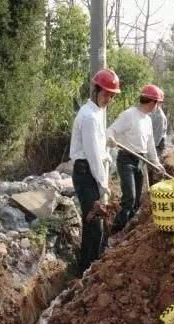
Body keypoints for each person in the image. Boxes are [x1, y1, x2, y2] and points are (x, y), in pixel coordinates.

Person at [70, 68, 120, 275]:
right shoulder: (90, 117)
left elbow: (98, 147)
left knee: (96, 223)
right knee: (94, 224)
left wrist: (107, 148)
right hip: (86, 173)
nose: (108, 98)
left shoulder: (97, 113)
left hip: (90, 171)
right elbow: (92, 155)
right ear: (96, 90)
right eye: (106, 93)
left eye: (111, 95)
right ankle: (86, 271)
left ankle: (94, 265)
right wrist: (103, 183)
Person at [107, 84, 166, 234]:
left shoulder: (147, 120)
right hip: (126, 159)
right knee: (130, 198)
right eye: (158, 104)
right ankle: (114, 233)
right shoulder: (129, 115)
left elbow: (150, 145)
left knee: (137, 202)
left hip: (140, 160)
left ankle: (127, 235)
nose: (158, 107)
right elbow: (111, 130)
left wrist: (157, 163)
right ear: (152, 103)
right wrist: (111, 138)